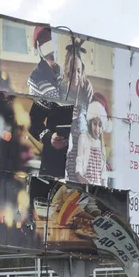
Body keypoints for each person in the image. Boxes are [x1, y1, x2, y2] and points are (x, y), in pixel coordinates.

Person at [28, 26, 71, 179]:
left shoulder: (65, 75)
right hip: (54, 162)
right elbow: (33, 122)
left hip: (78, 163)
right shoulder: (39, 80)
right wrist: (49, 138)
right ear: (38, 48)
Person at [60, 40, 93, 182]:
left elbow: (92, 117)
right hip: (66, 141)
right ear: (67, 69)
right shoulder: (61, 87)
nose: (76, 74)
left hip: (82, 143)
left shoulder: (86, 87)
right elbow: (55, 114)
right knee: (67, 181)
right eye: (73, 70)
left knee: (80, 181)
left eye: (79, 71)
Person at [75, 93, 111, 187]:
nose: (97, 129)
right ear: (89, 122)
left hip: (98, 187)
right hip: (86, 185)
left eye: (100, 125)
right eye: (94, 124)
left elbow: (103, 172)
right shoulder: (83, 138)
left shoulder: (100, 144)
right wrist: (80, 178)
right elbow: (79, 160)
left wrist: (104, 187)